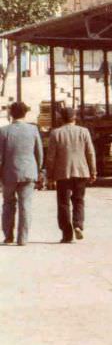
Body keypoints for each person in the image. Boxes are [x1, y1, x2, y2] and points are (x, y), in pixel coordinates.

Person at [47, 107, 97, 243]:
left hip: (62, 173)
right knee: (78, 200)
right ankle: (78, 225)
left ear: (61, 118)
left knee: (63, 203)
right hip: (81, 171)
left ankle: (66, 234)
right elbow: (90, 153)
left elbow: (51, 157)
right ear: (74, 117)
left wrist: (49, 175)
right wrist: (93, 171)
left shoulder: (55, 133)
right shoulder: (84, 132)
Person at [0, 102, 43, 245]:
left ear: (11, 113)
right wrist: (38, 169)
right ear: (25, 113)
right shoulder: (33, 130)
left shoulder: (4, 131)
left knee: (8, 204)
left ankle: (8, 236)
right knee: (26, 205)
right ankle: (23, 238)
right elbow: (39, 153)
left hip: (9, 173)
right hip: (28, 172)